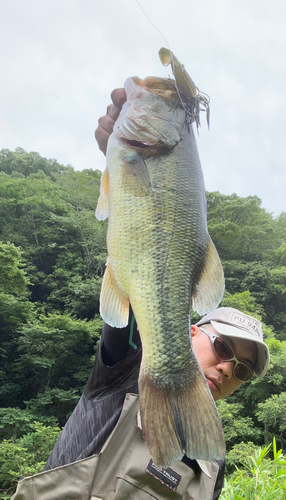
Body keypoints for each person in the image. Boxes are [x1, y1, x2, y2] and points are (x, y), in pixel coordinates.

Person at [11, 90, 270, 500]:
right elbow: (147, 278)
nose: (226, 369)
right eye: (222, 347)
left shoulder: (213, 463)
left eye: (242, 370)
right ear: (190, 333)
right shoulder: (128, 369)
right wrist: (126, 160)